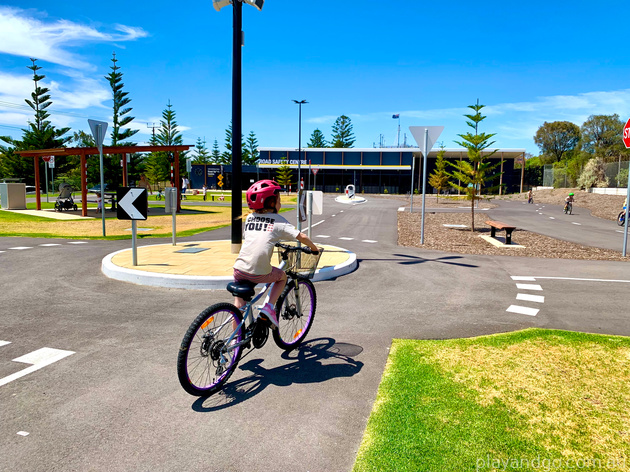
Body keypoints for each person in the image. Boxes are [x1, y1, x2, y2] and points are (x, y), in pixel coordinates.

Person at [233, 179, 319, 329]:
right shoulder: (278, 221)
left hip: (238, 270)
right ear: (272, 203)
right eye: (279, 200)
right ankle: (268, 308)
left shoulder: (249, 218)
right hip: (258, 272)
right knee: (282, 277)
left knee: (239, 306)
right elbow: (302, 237)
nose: (280, 203)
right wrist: (314, 248)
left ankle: (234, 341)